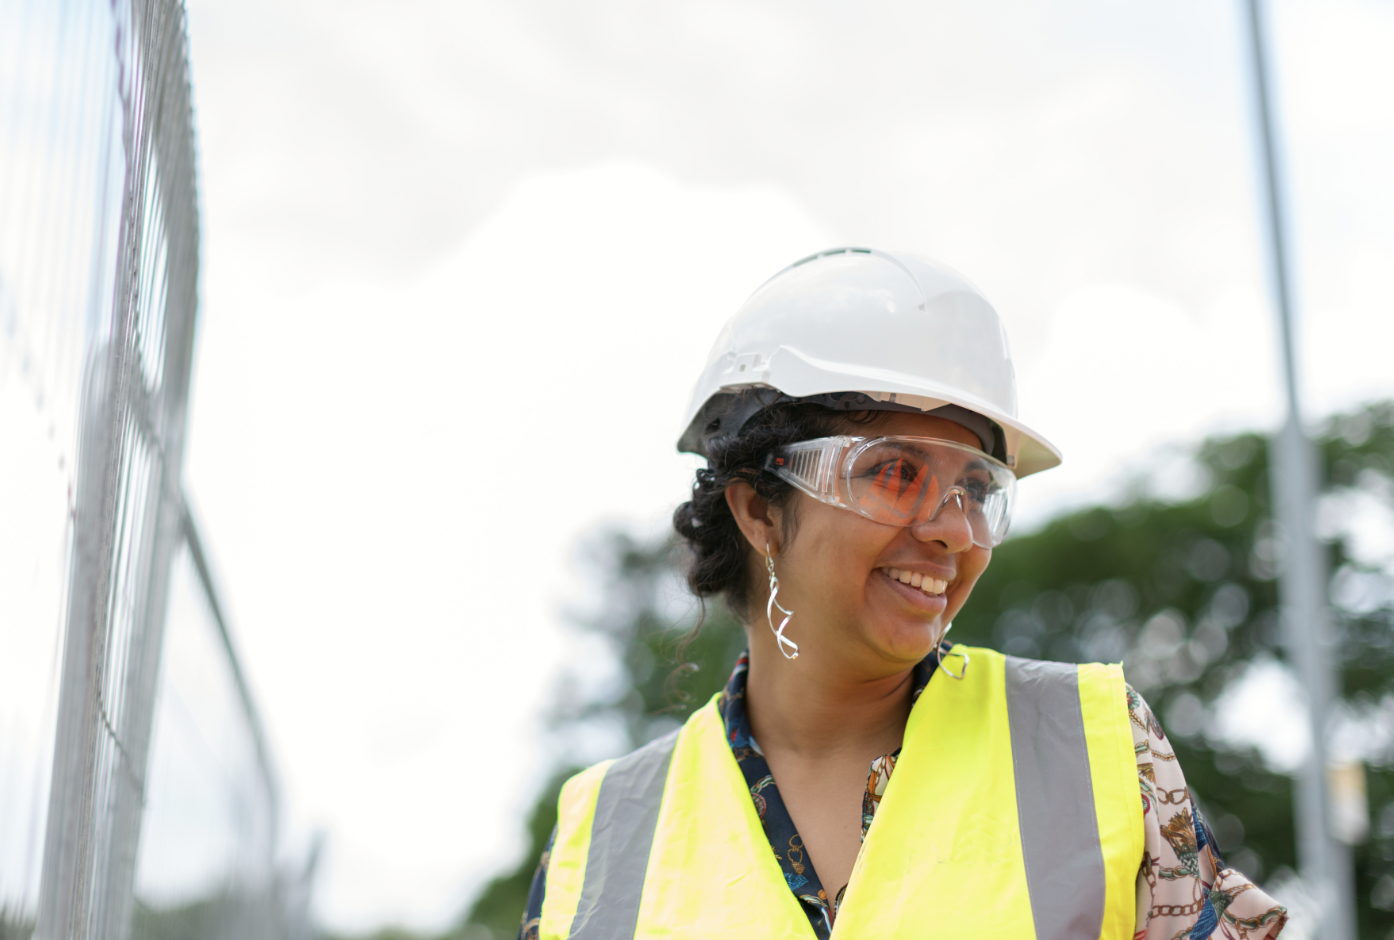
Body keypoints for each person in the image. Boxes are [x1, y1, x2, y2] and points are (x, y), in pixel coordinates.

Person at [519, 248, 1287, 939]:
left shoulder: (1094, 747)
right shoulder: (600, 842)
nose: (955, 530)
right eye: (894, 473)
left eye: (977, 488)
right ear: (758, 510)